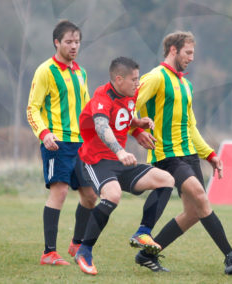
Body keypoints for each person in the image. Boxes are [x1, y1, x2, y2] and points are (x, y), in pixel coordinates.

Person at [130, 31, 232, 275]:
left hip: (188, 155)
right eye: (188, 52)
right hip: (166, 155)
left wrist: (210, 155)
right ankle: (230, 255)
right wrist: (135, 131)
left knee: (193, 213)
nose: (192, 57)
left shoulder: (185, 84)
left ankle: (146, 254)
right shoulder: (156, 77)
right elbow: (128, 105)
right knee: (201, 196)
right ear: (173, 50)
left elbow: (191, 128)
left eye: (193, 53)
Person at [74, 57, 175, 275]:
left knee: (166, 180)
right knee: (113, 195)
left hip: (120, 162)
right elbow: (102, 126)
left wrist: (138, 128)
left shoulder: (131, 94)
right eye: (134, 80)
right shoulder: (102, 96)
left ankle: (143, 232)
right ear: (119, 79)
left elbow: (123, 119)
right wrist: (120, 150)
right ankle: (84, 250)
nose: (138, 84)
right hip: (96, 160)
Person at [27, 20, 97, 266]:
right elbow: (32, 109)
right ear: (57, 42)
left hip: (81, 144)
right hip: (57, 142)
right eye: (68, 42)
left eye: (77, 42)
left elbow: (87, 108)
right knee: (61, 192)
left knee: (90, 196)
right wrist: (44, 133)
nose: (74, 46)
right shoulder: (45, 70)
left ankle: (76, 244)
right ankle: (48, 253)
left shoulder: (81, 72)